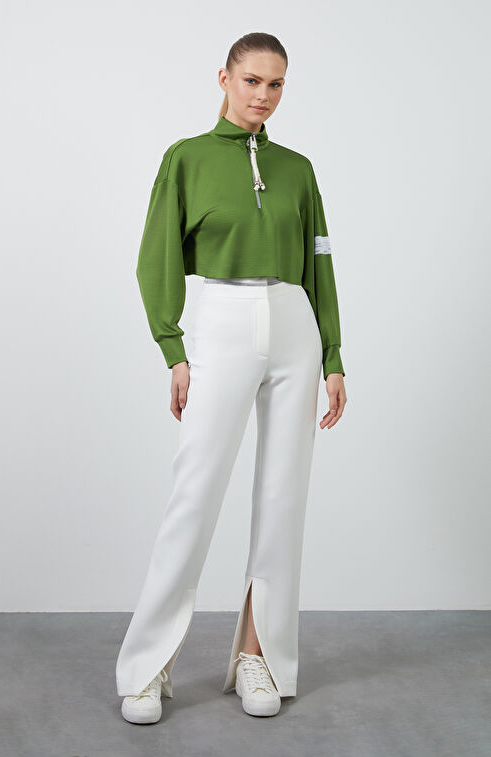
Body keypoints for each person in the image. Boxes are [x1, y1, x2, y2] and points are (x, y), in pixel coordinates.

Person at [116, 31, 347, 724]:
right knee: (196, 491)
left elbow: (320, 263)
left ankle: (260, 656)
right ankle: (148, 666)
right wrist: (172, 348)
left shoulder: (298, 169)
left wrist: (333, 355)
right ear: (224, 78)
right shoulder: (185, 158)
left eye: (275, 84)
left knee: (283, 496)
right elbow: (155, 255)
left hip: (294, 323)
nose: (263, 96)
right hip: (221, 316)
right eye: (251, 80)